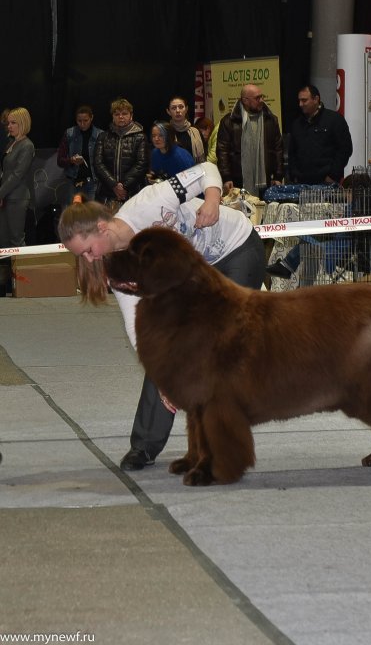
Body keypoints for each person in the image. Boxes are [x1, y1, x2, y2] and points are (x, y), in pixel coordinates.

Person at [58, 161, 265, 471]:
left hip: (236, 250)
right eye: (82, 256)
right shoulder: (119, 268)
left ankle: (221, 443)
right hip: (193, 276)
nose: (90, 259)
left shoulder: (149, 202)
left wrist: (211, 200)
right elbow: (137, 327)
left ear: (101, 227)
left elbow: (207, 169)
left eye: (88, 250)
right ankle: (144, 446)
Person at [216, 84, 284, 196]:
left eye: (262, 97)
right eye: (257, 98)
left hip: (266, 182)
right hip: (238, 181)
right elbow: (222, 151)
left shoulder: (271, 120)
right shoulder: (229, 121)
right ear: (245, 100)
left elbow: (278, 149)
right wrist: (226, 177)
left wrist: (278, 176)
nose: (262, 100)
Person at [287, 84, 353, 185]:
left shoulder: (334, 120)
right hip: (301, 183)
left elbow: (345, 149)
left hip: (327, 182)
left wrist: (333, 175)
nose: (300, 104)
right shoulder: (297, 124)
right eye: (299, 100)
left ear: (316, 99)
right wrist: (294, 175)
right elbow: (292, 153)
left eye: (304, 100)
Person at [93, 98, 149, 206]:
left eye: (124, 113)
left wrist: (123, 186)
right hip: (107, 193)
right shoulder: (103, 137)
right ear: (112, 116)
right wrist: (114, 185)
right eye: (117, 114)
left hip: (133, 192)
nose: (121, 117)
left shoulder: (140, 137)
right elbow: (98, 164)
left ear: (131, 115)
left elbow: (142, 164)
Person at [0, 107, 35, 248]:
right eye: (8, 123)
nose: (9, 126)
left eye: (13, 123)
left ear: (23, 123)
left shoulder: (27, 145)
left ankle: (21, 271)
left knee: (16, 240)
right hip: (7, 196)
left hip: (17, 198)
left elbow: (17, 174)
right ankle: (7, 270)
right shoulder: (12, 143)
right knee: (4, 240)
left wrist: (0, 193)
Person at [56, 105, 103, 203]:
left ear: (91, 118)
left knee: (91, 214)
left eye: (85, 120)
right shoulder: (69, 133)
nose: (82, 124)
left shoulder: (100, 134)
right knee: (74, 214)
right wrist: (71, 161)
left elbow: (104, 161)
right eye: (79, 121)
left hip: (93, 181)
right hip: (73, 181)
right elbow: (60, 160)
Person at [165, 96, 205, 163]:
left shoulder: (196, 132)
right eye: (173, 108)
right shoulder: (165, 133)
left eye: (181, 107)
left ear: (186, 109)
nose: (177, 111)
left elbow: (204, 156)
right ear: (168, 111)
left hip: (195, 171)